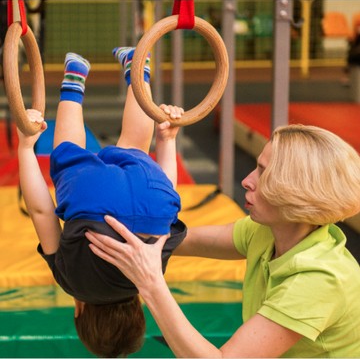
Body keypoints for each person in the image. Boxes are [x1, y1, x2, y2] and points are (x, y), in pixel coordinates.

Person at [86, 124, 360, 357]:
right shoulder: (269, 232)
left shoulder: (319, 280)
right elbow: (178, 240)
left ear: (298, 193)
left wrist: (150, 281)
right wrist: (118, 226)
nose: (247, 181)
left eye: (264, 173)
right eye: (256, 167)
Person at [17, 47, 186, 357]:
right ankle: (74, 77)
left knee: (135, 146)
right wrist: (26, 148)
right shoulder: (72, 283)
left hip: (155, 197)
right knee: (68, 151)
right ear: (78, 311)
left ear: (139, 308)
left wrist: (167, 142)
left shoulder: (149, 280)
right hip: (91, 199)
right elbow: (41, 211)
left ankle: (138, 69)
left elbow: (163, 206)